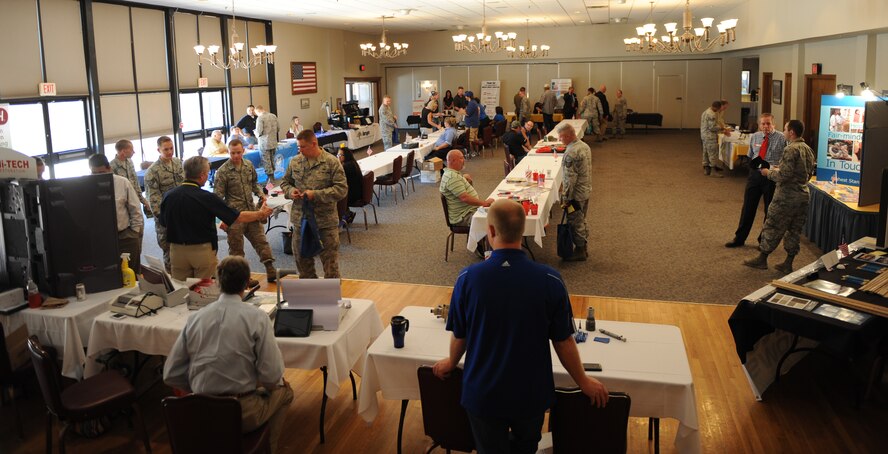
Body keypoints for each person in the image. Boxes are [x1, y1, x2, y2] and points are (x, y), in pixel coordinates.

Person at [432, 198, 608, 453]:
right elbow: (564, 341)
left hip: (483, 395)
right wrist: (582, 381)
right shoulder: (550, 280)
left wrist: (450, 361)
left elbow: (461, 335)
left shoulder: (467, 279)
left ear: (490, 231)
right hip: (531, 395)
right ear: (524, 230)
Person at [163, 256, 294, 454]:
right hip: (239, 411)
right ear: (247, 282)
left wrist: (203, 390)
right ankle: (267, 449)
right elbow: (272, 375)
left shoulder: (196, 319)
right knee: (285, 391)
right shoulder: (257, 317)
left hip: (198, 411)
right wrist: (256, 385)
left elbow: (171, 374)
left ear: (217, 282)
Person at [159, 156, 272, 281]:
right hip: (201, 251)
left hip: (176, 252)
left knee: (180, 290)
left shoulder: (168, 196)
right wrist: (260, 214)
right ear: (202, 175)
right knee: (203, 293)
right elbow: (237, 217)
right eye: (207, 173)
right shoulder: (206, 198)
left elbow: (163, 223)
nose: (207, 176)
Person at [743, 120, 816, 273]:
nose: (783, 132)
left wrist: (768, 173)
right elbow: (807, 173)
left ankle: (762, 258)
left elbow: (784, 176)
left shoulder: (791, 149)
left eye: (785, 129)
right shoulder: (807, 149)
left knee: (772, 225)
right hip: (802, 195)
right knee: (794, 229)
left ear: (791, 132)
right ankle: (788, 262)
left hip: (786, 196)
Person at [280, 130, 348, 279]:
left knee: (330, 267)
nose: (300, 150)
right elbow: (285, 182)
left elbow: (341, 190)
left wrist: (315, 195)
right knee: (303, 265)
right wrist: (291, 191)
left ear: (314, 143)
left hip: (325, 222)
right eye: (298, 147)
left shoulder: (331, 162)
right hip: (300, 220)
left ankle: (331, 300)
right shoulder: (295, 161)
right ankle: (309, 298)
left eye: (303, 147)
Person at [214, 139, 278, 282]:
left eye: (238, 152)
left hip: (251, 211)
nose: (236, 156)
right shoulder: (223, 171)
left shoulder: (248, 165)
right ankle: (242, 279)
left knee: (261, 242)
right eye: (232, 153)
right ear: (229, 152)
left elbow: (254, 184)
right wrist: (223, 219)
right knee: (236, 249)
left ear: (243, 151)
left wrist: (261, 195)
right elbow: (218, 198)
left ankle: (270, 269)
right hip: (235, 216)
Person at [725, 114, 786, 248]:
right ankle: (739, 238)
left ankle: (763, 240)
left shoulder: (781, 138)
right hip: (755, 176)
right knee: (748, 208)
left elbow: (786, 159)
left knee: (769, 211)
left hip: (771, 178)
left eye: (768, 124)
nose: (766, 127)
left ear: (773, 124)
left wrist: (775, 169)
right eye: (763, 124)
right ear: (759, 125)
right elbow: (750, 156)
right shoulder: (755, 136)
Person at [89, 154, 144, 273]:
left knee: (131, 273)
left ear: (109, 169)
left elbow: (135, 210)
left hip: (125, 236)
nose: (98, 177)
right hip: (102, 238)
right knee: (107, 274)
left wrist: (134, 232)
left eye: (101, 172)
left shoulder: (122, 183)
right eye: (94, 173)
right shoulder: (87, 186)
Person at [144, 136, 185, 271]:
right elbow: (153, 199)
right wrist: (164, 219)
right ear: (158, 150)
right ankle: (172, 282)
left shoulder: (178, 163)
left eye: (171, 148)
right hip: (166, 218)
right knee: (169, 252)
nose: (169, 152)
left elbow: (185, 186)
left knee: (186, 248)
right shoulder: (152, 171)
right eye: (166, 149)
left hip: (182, 212)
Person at [559, 124, 592, 262]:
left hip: (575, 194)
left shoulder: (571, 153)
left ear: (567, 136)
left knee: (575, 222)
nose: (560, 140)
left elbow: (569, 179)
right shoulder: (584, 146)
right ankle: (583, 247)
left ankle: (579, 251)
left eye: (561, 137)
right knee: (582, 219)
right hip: (585, 190)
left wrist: (565, 197)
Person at [110, 139, 152, 215]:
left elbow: (135, 182)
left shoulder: (130, 161)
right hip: (122, 205)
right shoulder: (112, 167)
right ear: (123, 151)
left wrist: (143, 200)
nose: (134, 152)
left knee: (139, 224)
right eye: (131, 149)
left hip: (134, 200)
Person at [254, 105, 279, 183]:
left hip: (264, 143)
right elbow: (278, 128)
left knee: (266, 160)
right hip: (274, 141)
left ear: (257, 111)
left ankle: (270, 178)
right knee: (272, 159)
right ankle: (273, 176)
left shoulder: (260, 118)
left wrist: (255, 132)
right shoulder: (273, 116)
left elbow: (259, 132)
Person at [700, 101, 725, 177]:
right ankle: (713, 171)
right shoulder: (712, 114)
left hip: (704, 135)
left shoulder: (706, 111)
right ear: (716, 107)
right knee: (713, 152)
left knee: (706, 151)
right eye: (719, 108)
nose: (719, 110)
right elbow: (712, 127)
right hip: (710, 136)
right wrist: (722, 128)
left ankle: (706, 168)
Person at [338, 147, 362, 224]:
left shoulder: (346, 167)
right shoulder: (353, 163)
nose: (338, 157)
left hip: (351, 196)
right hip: (357, 193)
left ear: (346, 156)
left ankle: (341, 220)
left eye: (340, 155)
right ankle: (347, 214)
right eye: (337, 155)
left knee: (333, 197)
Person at [464, 91, 481, 157]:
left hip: (471, 124)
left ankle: (473, 152)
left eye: (466, 96)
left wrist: (462, 112)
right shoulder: (474, 102)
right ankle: (477, 152)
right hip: (475, 123)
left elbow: (468, 114)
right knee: (475, 138)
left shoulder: (471, 103)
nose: (465, 97)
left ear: (468, 96)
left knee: (470, 139)